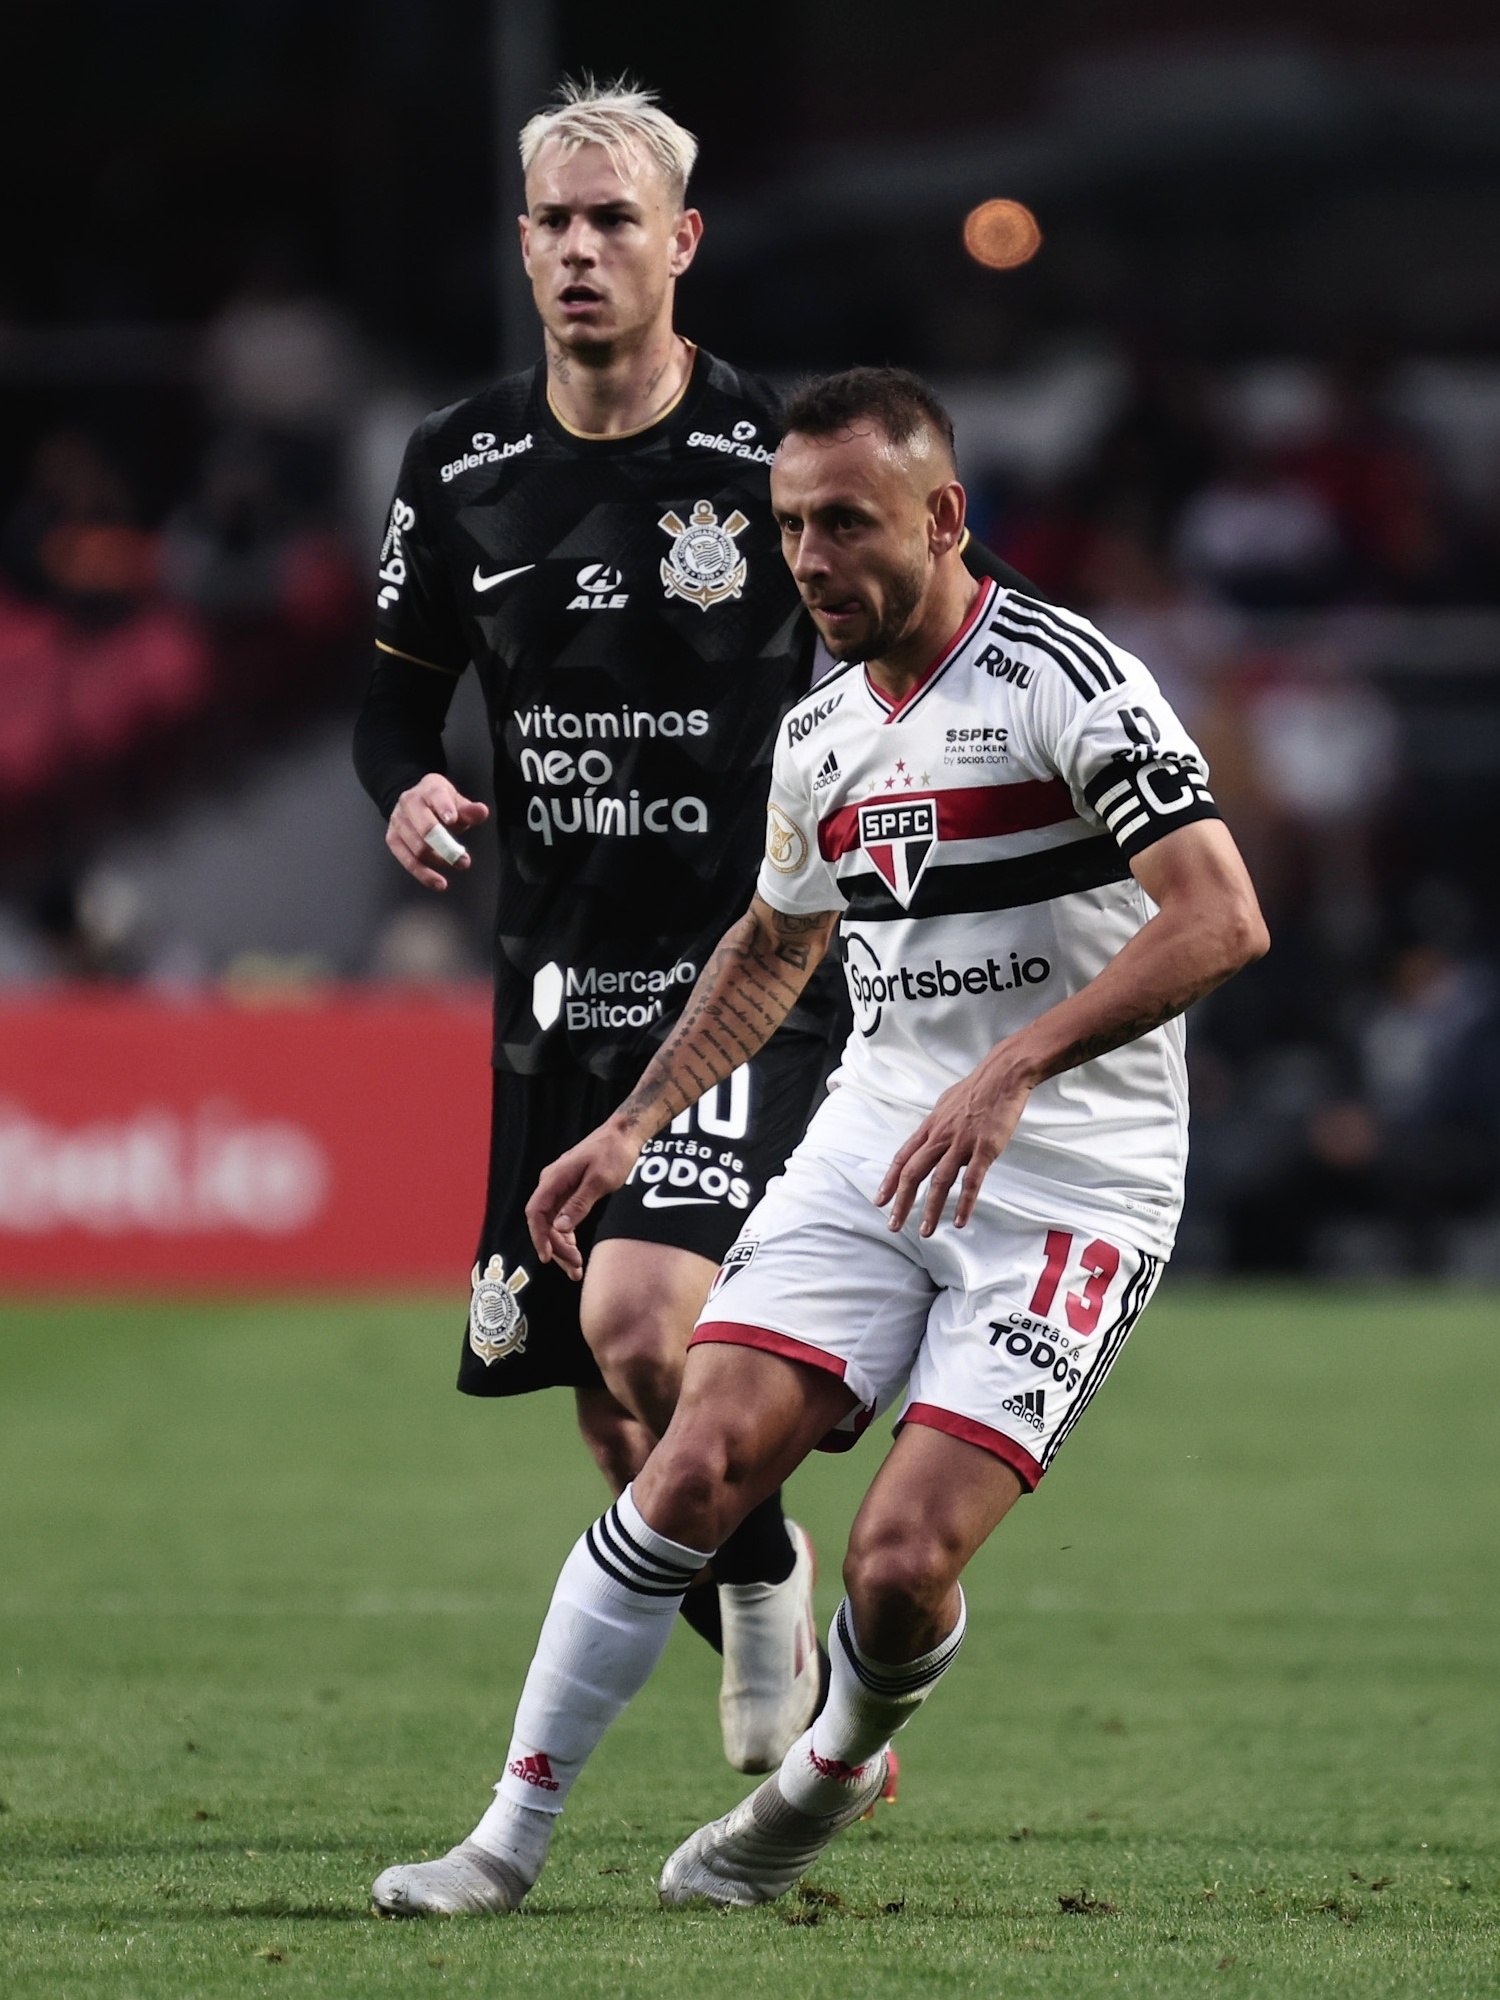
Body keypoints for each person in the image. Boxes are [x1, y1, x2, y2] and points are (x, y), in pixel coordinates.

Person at [369, 366, 1268, 1917]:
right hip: (873, 1142)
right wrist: (632, 1128)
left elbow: (1223, 916)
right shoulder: (826, 730)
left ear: (942, 518)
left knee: (902, 1567)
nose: (808, 560)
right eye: (787, 528)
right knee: (694, 1462)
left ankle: (832, 1767)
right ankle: (504, 1841)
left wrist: (1015, 1070)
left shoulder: (1070, 681)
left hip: (1076, 1180)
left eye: (843, 524)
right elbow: (774, 947)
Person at [353, 83, 1030, 1778]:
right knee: (607, 1412)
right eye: (555, 224)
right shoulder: (458, 464)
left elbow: (936, 632)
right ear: (522, 245)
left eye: (614, 222)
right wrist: (409, 788)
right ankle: (765, 1567)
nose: (582, 251)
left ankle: (784, 1637)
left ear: (681, 243)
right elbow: (392, 705)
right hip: (553, 984)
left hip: (752, 969)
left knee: (646, 1326)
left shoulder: (771, 454)